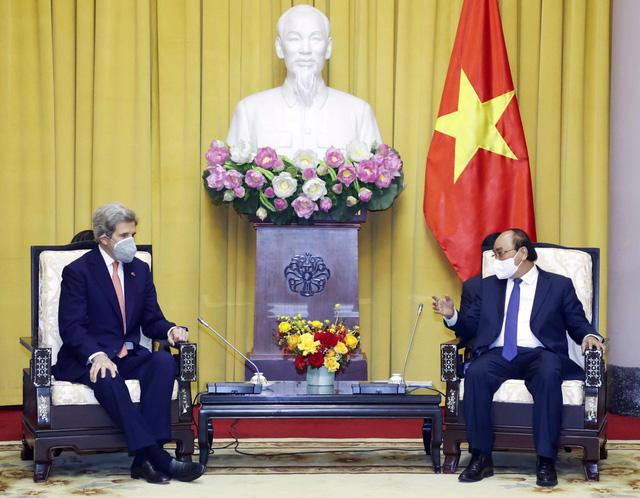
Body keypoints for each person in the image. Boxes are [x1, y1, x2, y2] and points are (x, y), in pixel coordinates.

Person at [432, 228, 605, 487]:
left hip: (540, 354)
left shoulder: (558, 285)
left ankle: (545, 460)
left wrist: (591, 336)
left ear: (522, 253)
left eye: (500, 253)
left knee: (548, 374)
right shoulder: (486, 287)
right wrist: (451, 315)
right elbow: (469, 328)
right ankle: (481, 457)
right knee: (477, 372)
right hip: (499, 354)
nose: (495, 260)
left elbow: (577, 322)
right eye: (494, 254)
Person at [52, 203, 206, 484]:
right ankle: (158, 458)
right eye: (125, 236)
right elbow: (72, 327)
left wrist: (170, 330)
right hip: (87, 357)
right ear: (104, 239)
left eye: (133, 234)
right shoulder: (78, 272)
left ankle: (143, 460)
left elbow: (152, 320)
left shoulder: (140, 270)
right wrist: (96, 354)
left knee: (161, 361)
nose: (131, 242)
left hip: (126, 354)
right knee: (107, 375)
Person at [226, 4, 382, 157]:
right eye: (294, 39)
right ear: (279, 47)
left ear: (328, 48)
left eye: (315, 39)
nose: (305, 50)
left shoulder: (358, 112)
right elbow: (232, 176)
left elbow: (377, 175)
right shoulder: (249, 111)